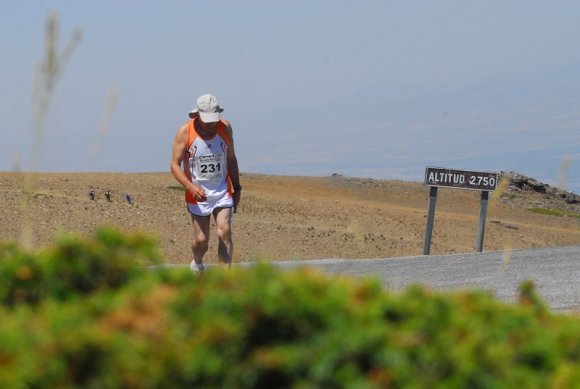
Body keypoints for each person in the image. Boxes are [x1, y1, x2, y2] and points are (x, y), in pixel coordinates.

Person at [170, 94, 241, 273]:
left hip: (222, 191)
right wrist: (191, 187)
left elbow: (231, 159)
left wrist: (237, 187)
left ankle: (225, 280)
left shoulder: (225, 128)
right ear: (198, 114)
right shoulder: (185, 132)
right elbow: (174, 165)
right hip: (198, 194)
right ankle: (198, 263)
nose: (211, 124)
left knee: (224, 232)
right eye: (207, 120)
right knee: (201, 241)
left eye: (213, 119)